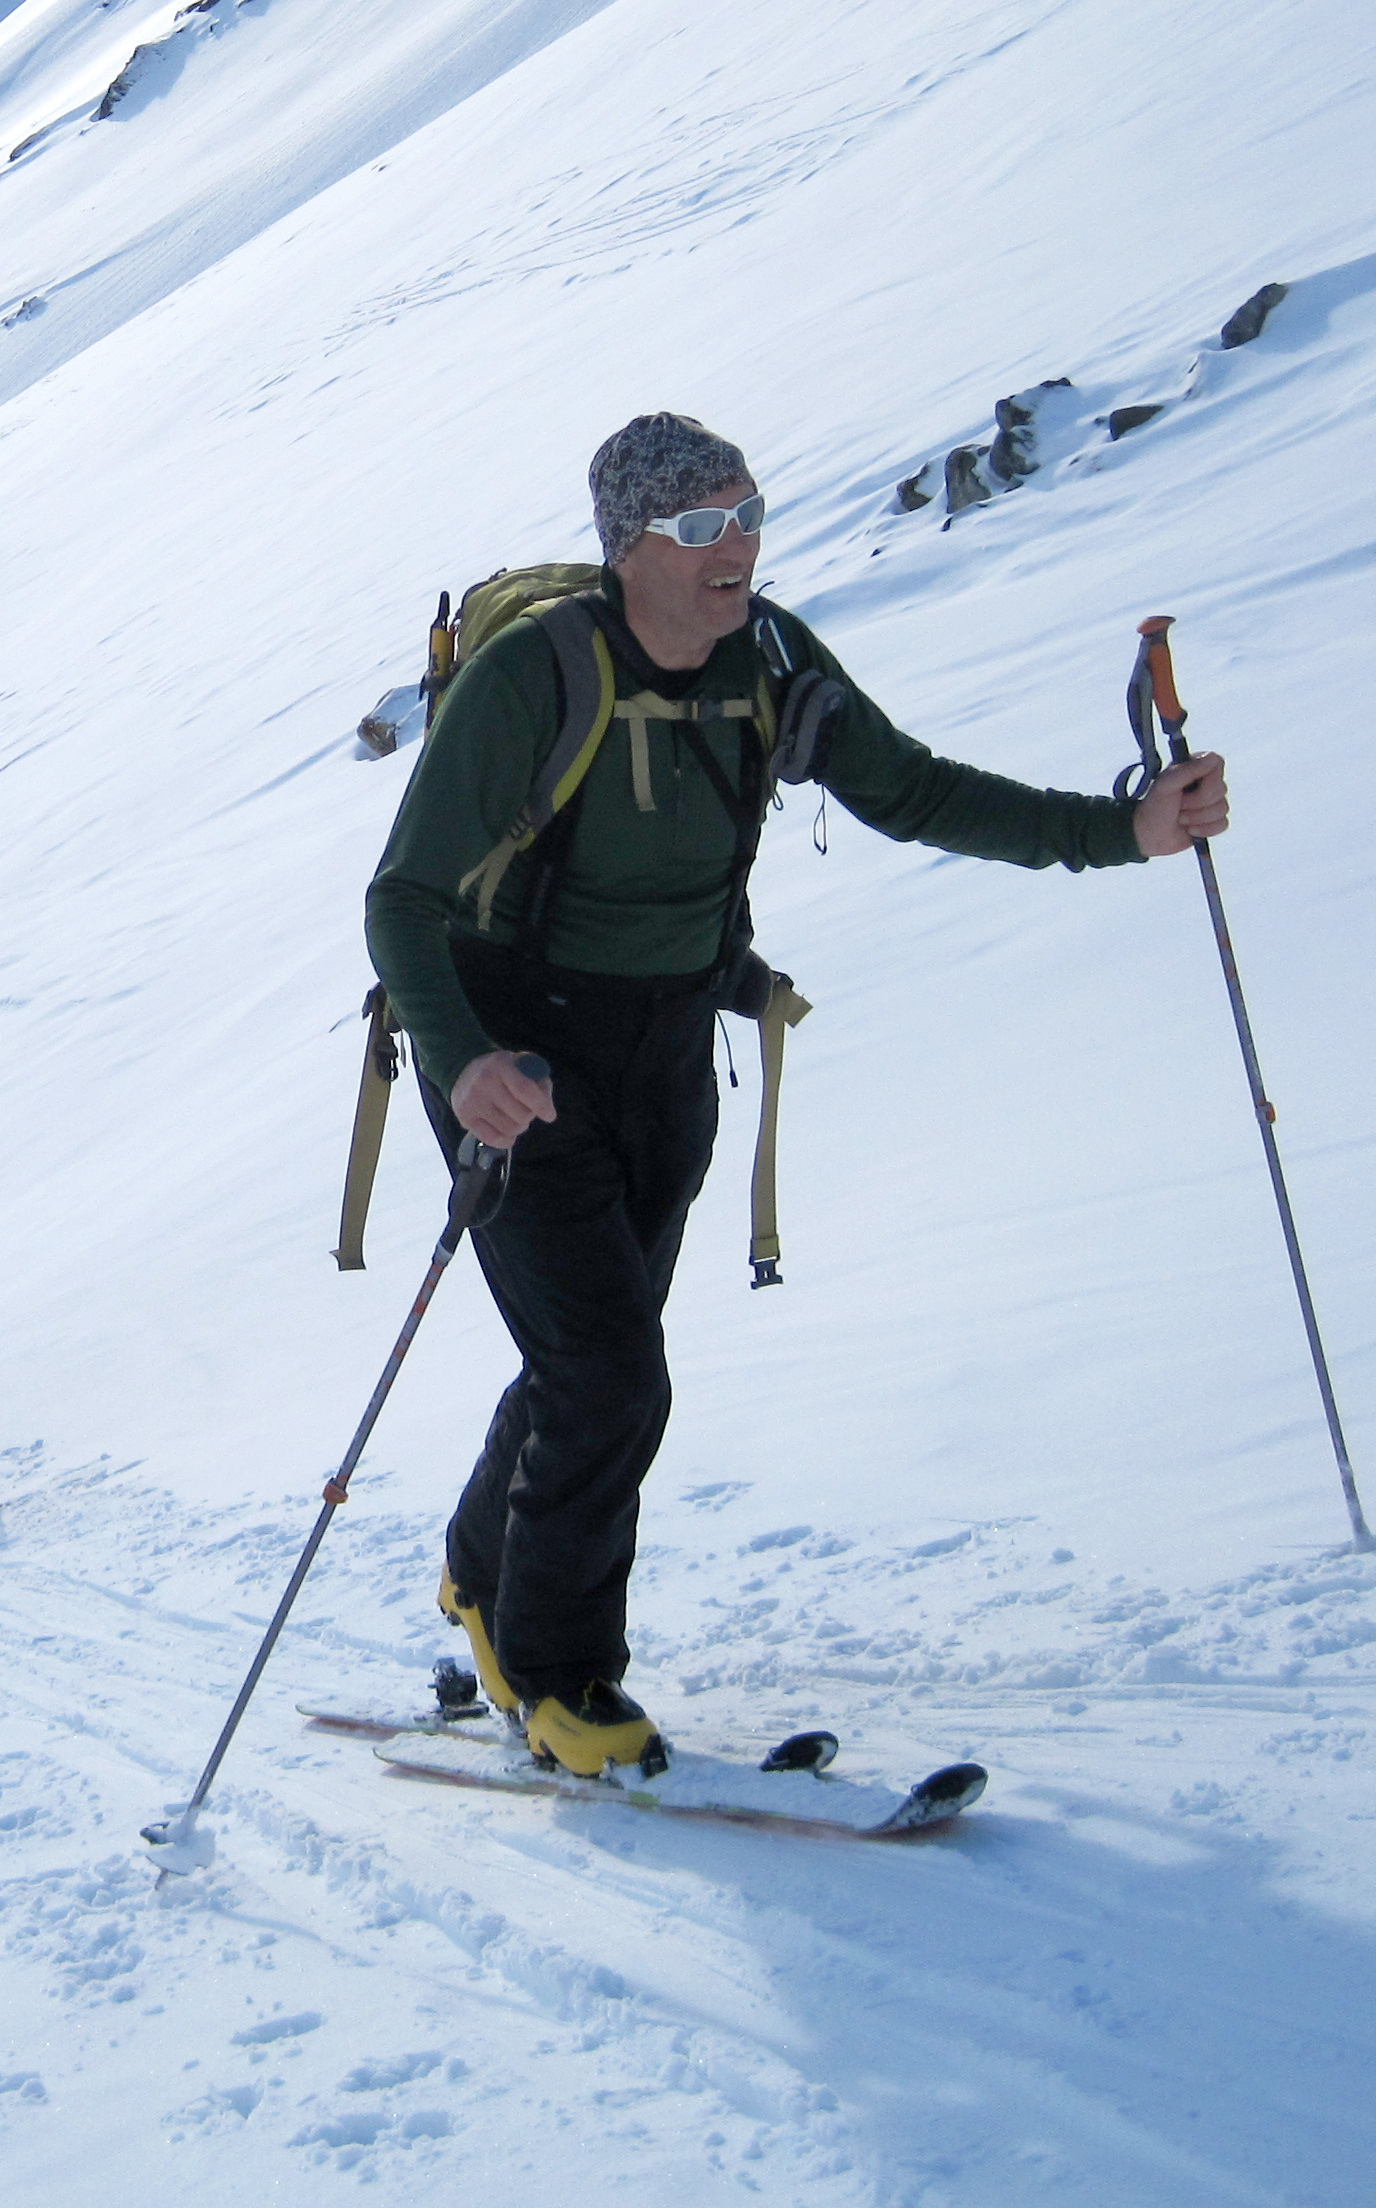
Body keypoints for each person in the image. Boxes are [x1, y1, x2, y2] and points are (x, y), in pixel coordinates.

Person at [364, 411, 1227, 1778]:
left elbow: (919, 791)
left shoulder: (770, 662)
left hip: (664, 1045)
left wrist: (1121, 830)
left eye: (750, 512)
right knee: (609, 1374)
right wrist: (464, 1060)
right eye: (704, 526)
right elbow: (401, 900)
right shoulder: (535, 676)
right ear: (629, 547)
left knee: (595, 1353)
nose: (741, 546)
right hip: (513, 1057)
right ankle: (555, 1677)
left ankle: (482, 1578)